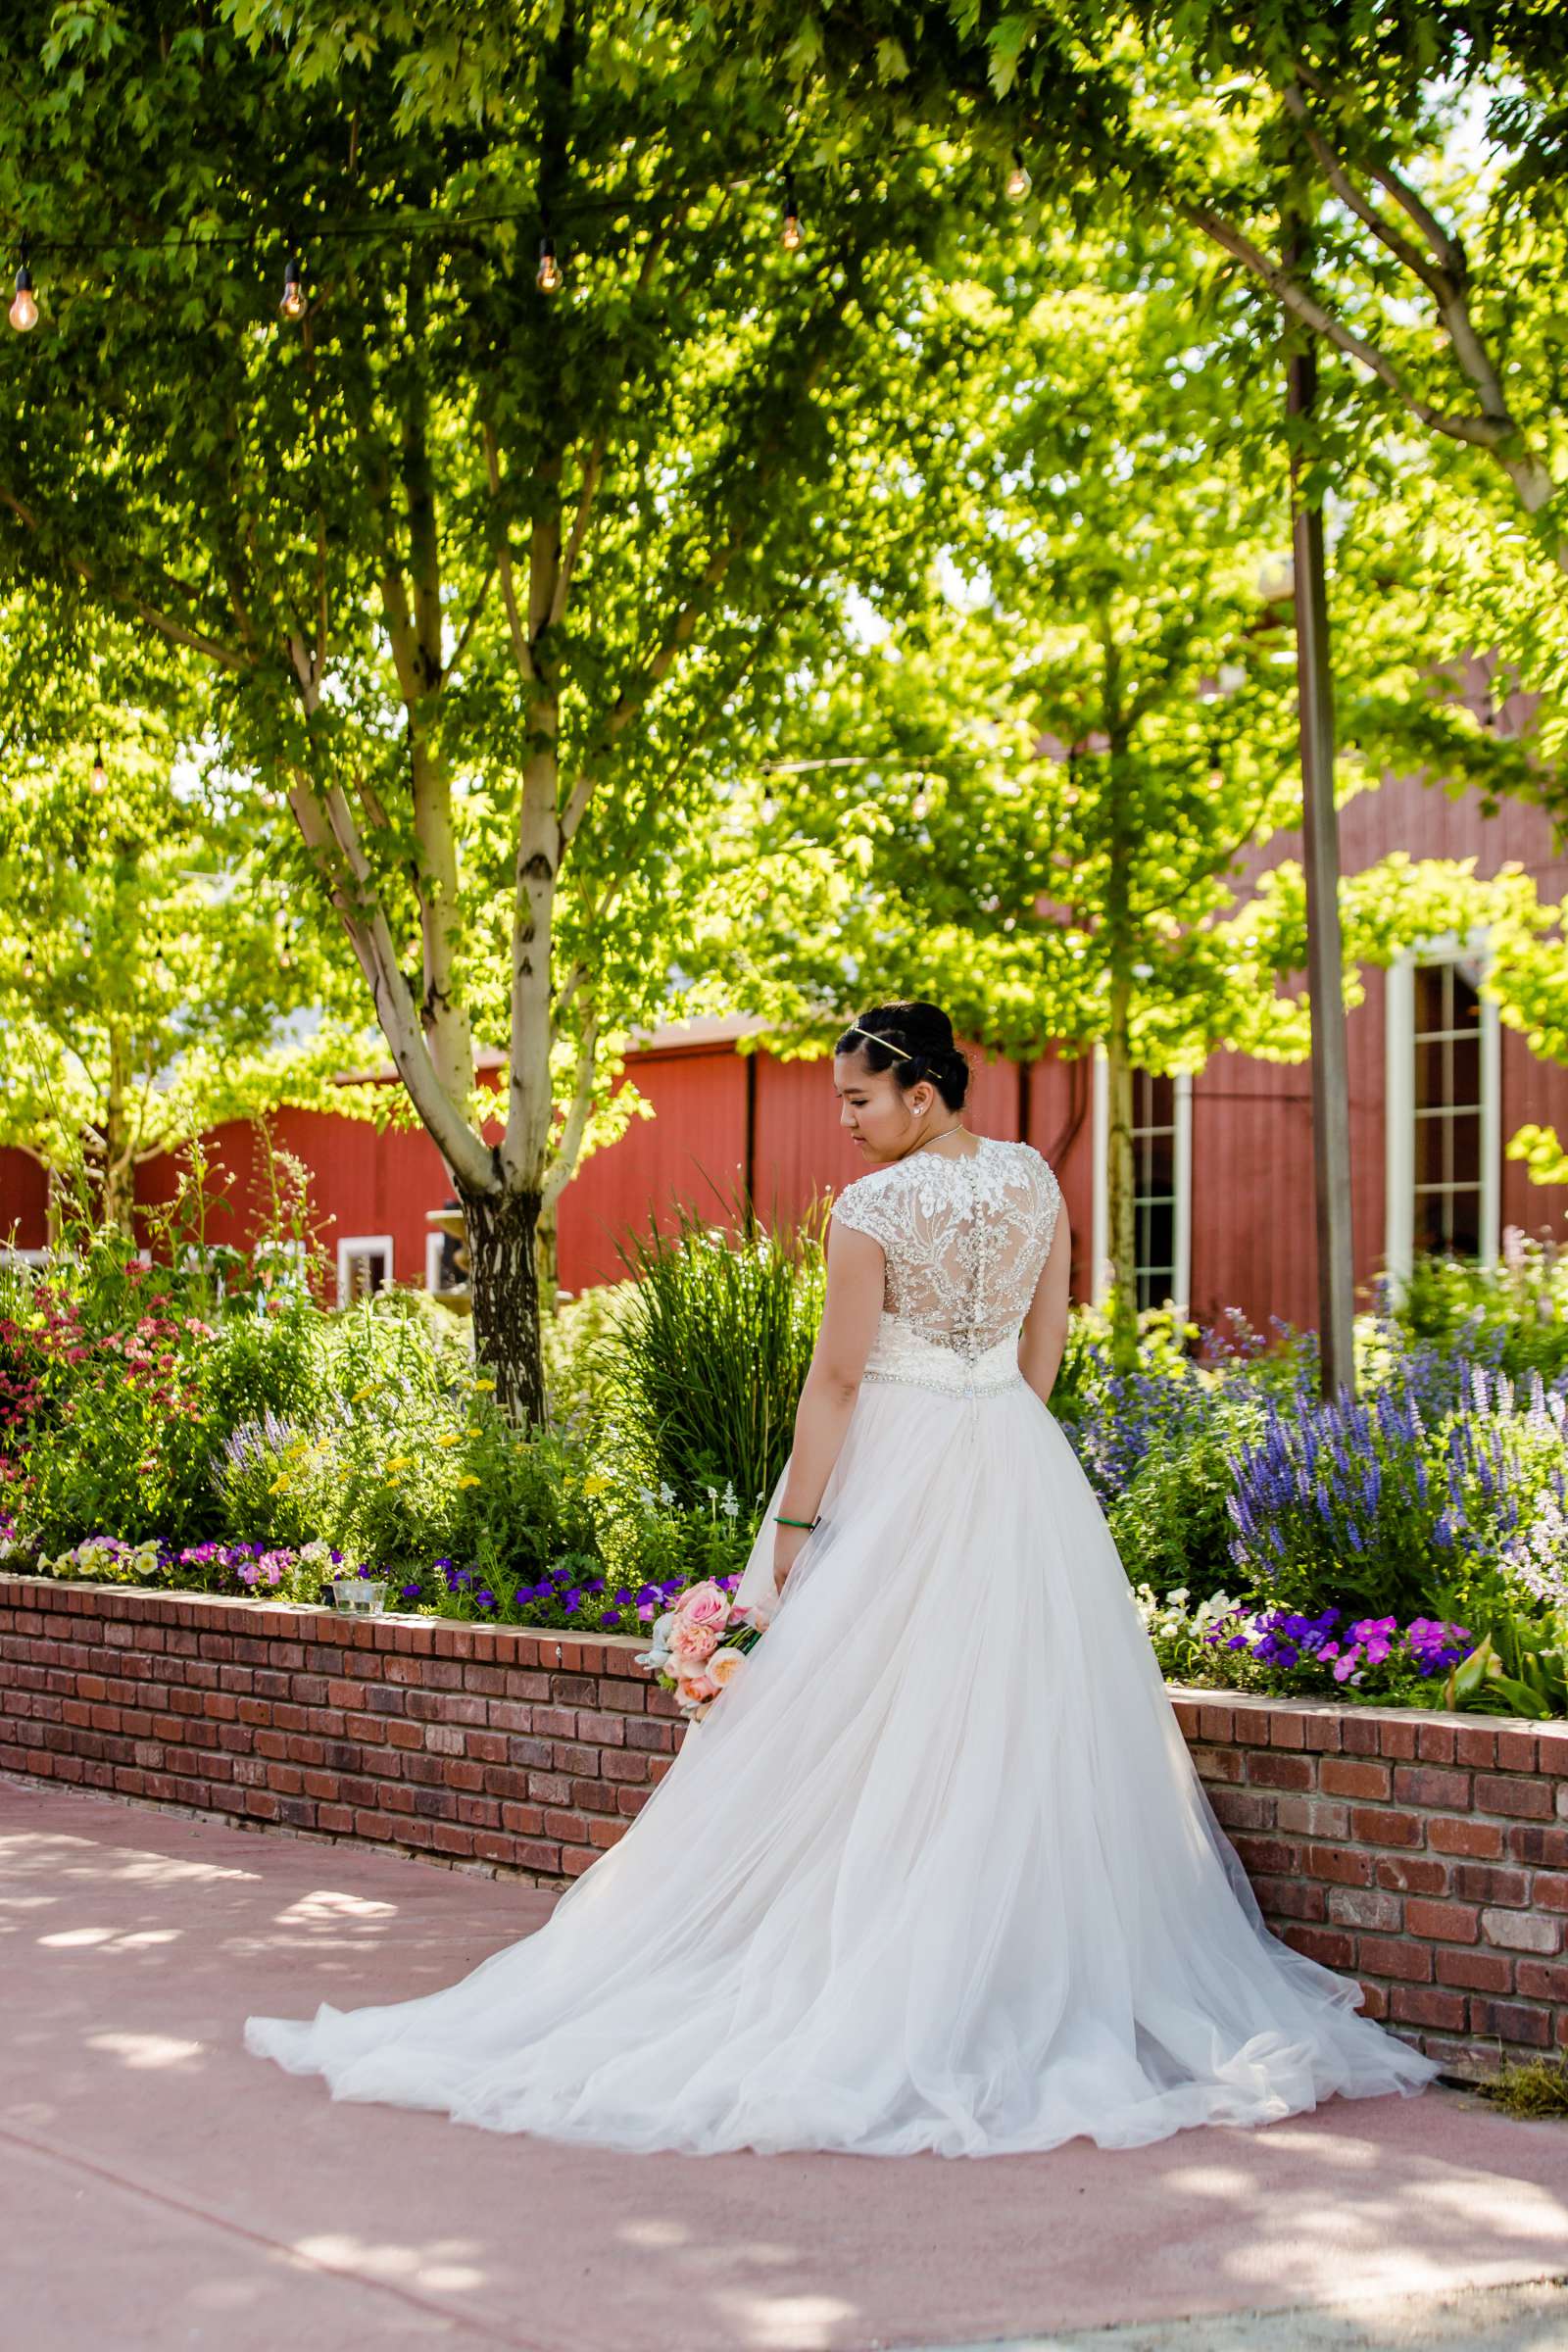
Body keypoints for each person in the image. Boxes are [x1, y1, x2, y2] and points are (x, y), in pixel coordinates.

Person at [244, 998, 1441, 2155]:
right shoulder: (1033, 1178)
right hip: (1016, 1461)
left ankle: (888, 1964)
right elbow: (1045, 1343)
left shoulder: (871, 1208)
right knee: (1013, 1713)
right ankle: (1005, 1965)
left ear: (922, 1094)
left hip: (905, 1458)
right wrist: (995, 1442)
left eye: (862, 1098)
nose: (847, 1121)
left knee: (860, 1706)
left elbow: (836, 1380)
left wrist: (794, 1539)